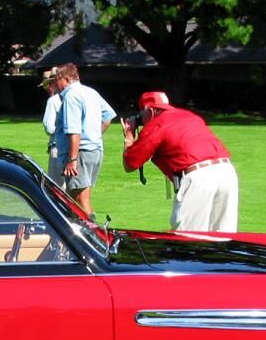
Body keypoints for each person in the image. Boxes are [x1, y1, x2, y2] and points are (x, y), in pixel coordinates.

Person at [121, 90, 238, 232]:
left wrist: (129, 136)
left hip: (199, 178)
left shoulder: (157, 123)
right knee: (223, 237)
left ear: (150, 111)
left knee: (187, 238)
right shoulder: (189, 116)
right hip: (227, 173)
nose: (141, 119)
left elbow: (131, 163)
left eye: (141, 114)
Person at [54, 64, 116, 216]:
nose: (56, 85)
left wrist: (72, 159)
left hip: (80, 153)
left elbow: (73, 130)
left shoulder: (71, 96)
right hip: (95, 151)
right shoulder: (91, 92)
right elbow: (108, 116)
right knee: (76, 197)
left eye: (57, 80)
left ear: (66, 79)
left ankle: (94, 235)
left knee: (80, 200)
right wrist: (95, 134)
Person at [39, 68, 64, 185]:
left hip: (57, 146)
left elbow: (49, 128)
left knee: (57, 187)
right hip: (74, 147)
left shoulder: (52, 101)